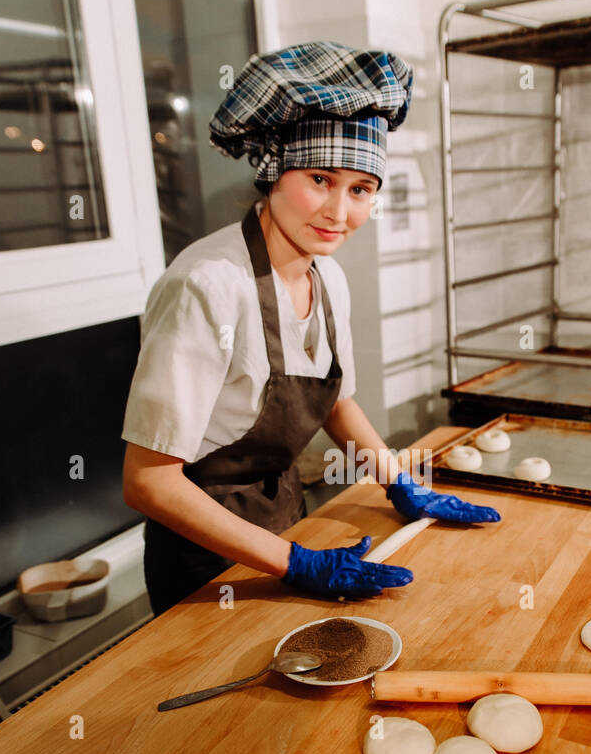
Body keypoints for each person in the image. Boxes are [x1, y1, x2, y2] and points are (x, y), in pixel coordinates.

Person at [121, 41, 499, 616]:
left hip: (287, 524)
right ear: (273, 170)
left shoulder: (328, 278)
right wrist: (298, 564)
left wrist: (401, 485)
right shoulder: (207, 285)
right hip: (204, 553)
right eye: (320, 178)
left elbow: (334, 403)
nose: (338, 212)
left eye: (361, 189)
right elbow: (148, 482)